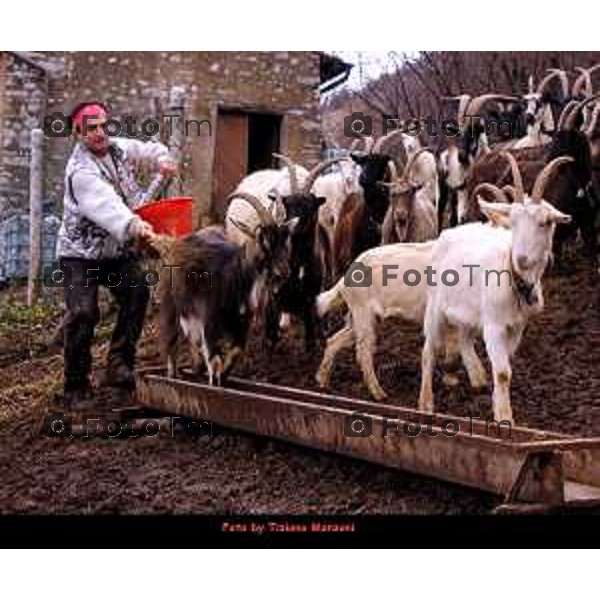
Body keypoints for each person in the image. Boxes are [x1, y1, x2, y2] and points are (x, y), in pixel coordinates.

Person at [56, 101, 178, 410]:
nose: (99, 133)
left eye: (103, 126)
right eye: (91, 128)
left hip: (115, 251)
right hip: (80, 254)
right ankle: (75, 385)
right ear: (78, 132)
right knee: (83, 313)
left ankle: (119, 363)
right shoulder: (81, 173)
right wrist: (138, 227)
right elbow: (109, 208)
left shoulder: (118, 148)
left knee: (137, 291)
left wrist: (163, 159)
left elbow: (148, 149)